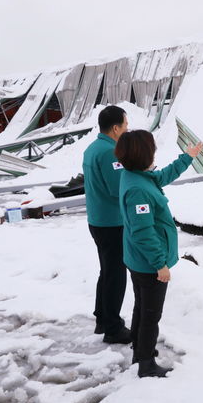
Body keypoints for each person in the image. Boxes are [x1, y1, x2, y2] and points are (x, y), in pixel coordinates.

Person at [115, 129, 203, 378]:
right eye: (151, 150)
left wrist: (187, 158)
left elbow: (161, 177)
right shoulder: (138, 191)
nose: (154, 153)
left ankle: (139, 351)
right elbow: (143, 232)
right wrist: (160, 264)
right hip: (147, 264)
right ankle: (146, 363)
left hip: (138, 260)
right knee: (150, 314)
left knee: (142, 308)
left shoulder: (136, 176)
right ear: (143, 155)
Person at [82, 105, 132, 344]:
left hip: (97, 219)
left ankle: (102, 318)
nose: (127, 129)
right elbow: (117, 189)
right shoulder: (110, 152)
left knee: (107, 271)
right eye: (125, 126)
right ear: (115, 128)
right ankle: (113, 327)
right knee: (116, 274)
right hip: (112, 222)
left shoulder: (92, 148)